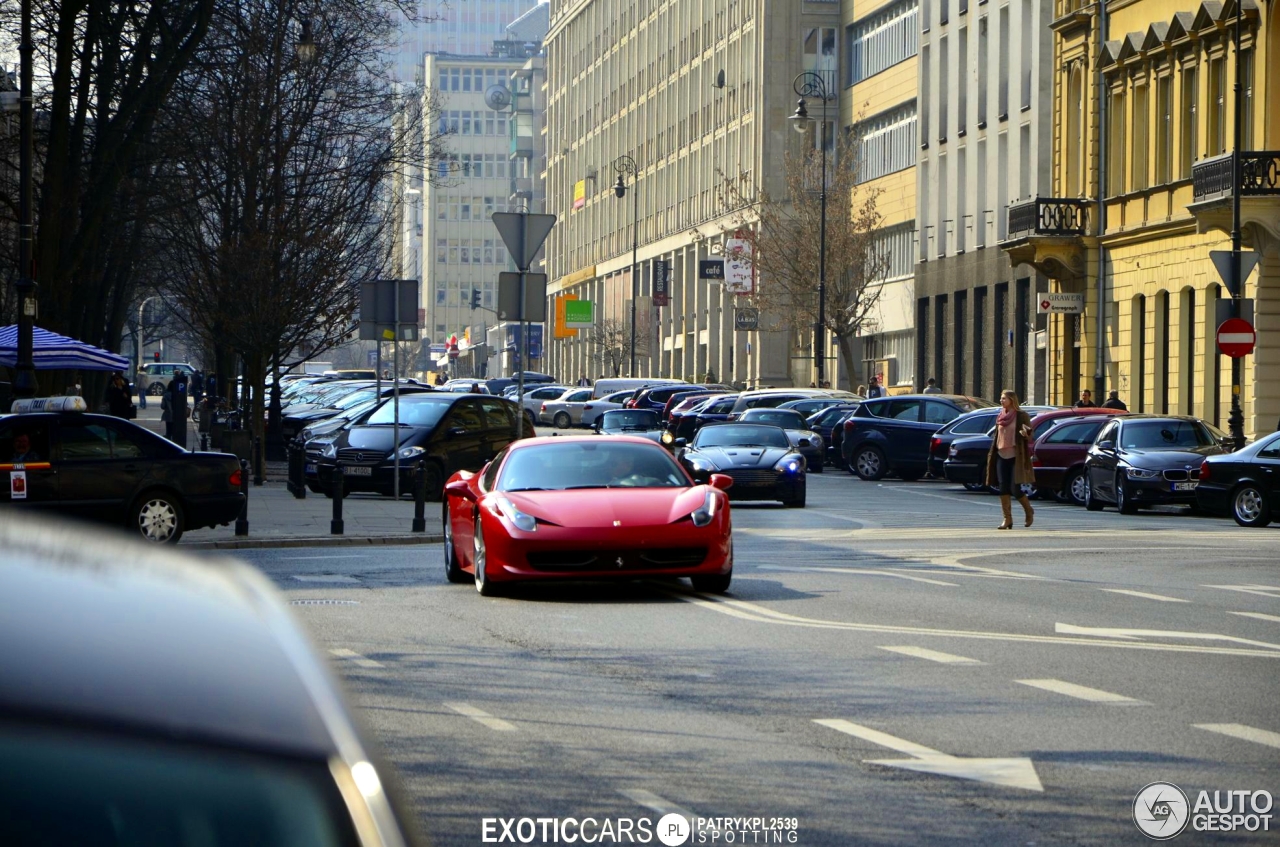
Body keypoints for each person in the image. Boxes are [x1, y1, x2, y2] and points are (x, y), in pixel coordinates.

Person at [985, 390, 1035, 530]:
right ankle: (1007, 519)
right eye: (1001, 398)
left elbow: (1030, 435)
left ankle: (1028, 511)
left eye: (1004, 399)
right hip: (1001, 454)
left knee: (1015, 488)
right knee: (1003, 487)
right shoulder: (1000, 415)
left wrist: (1026, 433)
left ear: (1012, 400)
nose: (1001, 401)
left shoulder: (1021, 415)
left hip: (1016, 456)